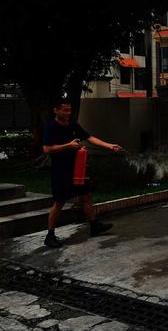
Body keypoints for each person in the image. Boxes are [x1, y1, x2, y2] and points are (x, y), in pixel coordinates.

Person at [43, 99, 123, 248]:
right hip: (61, 171)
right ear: (56, 110)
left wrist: (109, 146)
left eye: (69, 110)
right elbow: (47, 149)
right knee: (59, 202)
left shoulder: (73, 125)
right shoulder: (51, 127)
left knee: (86, 196)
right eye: (64, 110)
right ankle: (50, 235)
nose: (68, 113)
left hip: (78, 168)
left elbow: (89, 137)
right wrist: (68, 145)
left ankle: (94, 225)